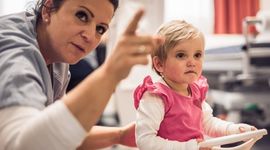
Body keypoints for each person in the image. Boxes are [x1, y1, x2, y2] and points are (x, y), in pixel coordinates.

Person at [0, 0, 163, 149]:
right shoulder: (16, 53)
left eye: (100, 29)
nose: (90, 36)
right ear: (47, 10)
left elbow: (55, 133)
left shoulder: (57, 52)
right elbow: (20, 145)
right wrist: (110, 72)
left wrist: (120, 135)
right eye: (82, 16)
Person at [133, 20, 257, 150]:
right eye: (181, 55)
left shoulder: (196, 91)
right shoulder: (156, 96)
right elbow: (145, 142)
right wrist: (191, 147)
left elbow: (208, 124)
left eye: (197, 55)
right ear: (159, 64)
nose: (192, 62)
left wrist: (235, 129)